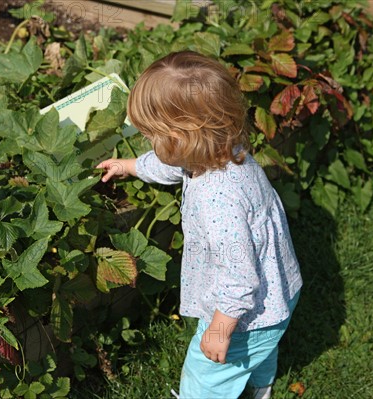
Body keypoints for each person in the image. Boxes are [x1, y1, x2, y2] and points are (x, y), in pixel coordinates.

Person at [96, 51, 303, 399]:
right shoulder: (223, 149)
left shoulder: (217, 197)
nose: (149, 142)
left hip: (244, 314)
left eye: (151, 137)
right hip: (278, 295)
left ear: (180, 139)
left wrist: (221, 329)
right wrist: (130, 165)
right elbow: (169, 166)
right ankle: (260, 387)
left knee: (205, 375)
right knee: (260, 352)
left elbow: (239, 277)